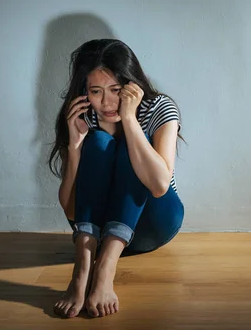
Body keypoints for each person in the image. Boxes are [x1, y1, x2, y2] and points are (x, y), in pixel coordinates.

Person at [47, 39, 185, 318]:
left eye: (115, 90)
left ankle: (106, 269)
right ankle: (82, 270)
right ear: (84, 91)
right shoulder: (82, 116)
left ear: (131, 85)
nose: (107, 102)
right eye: (96, 91)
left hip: (153, 222)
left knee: (130, 146)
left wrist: (130, 120)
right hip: (94, 231)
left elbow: (159, 185)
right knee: (97, 141)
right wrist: (74, 149)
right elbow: (71, 210)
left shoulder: (159, 107)